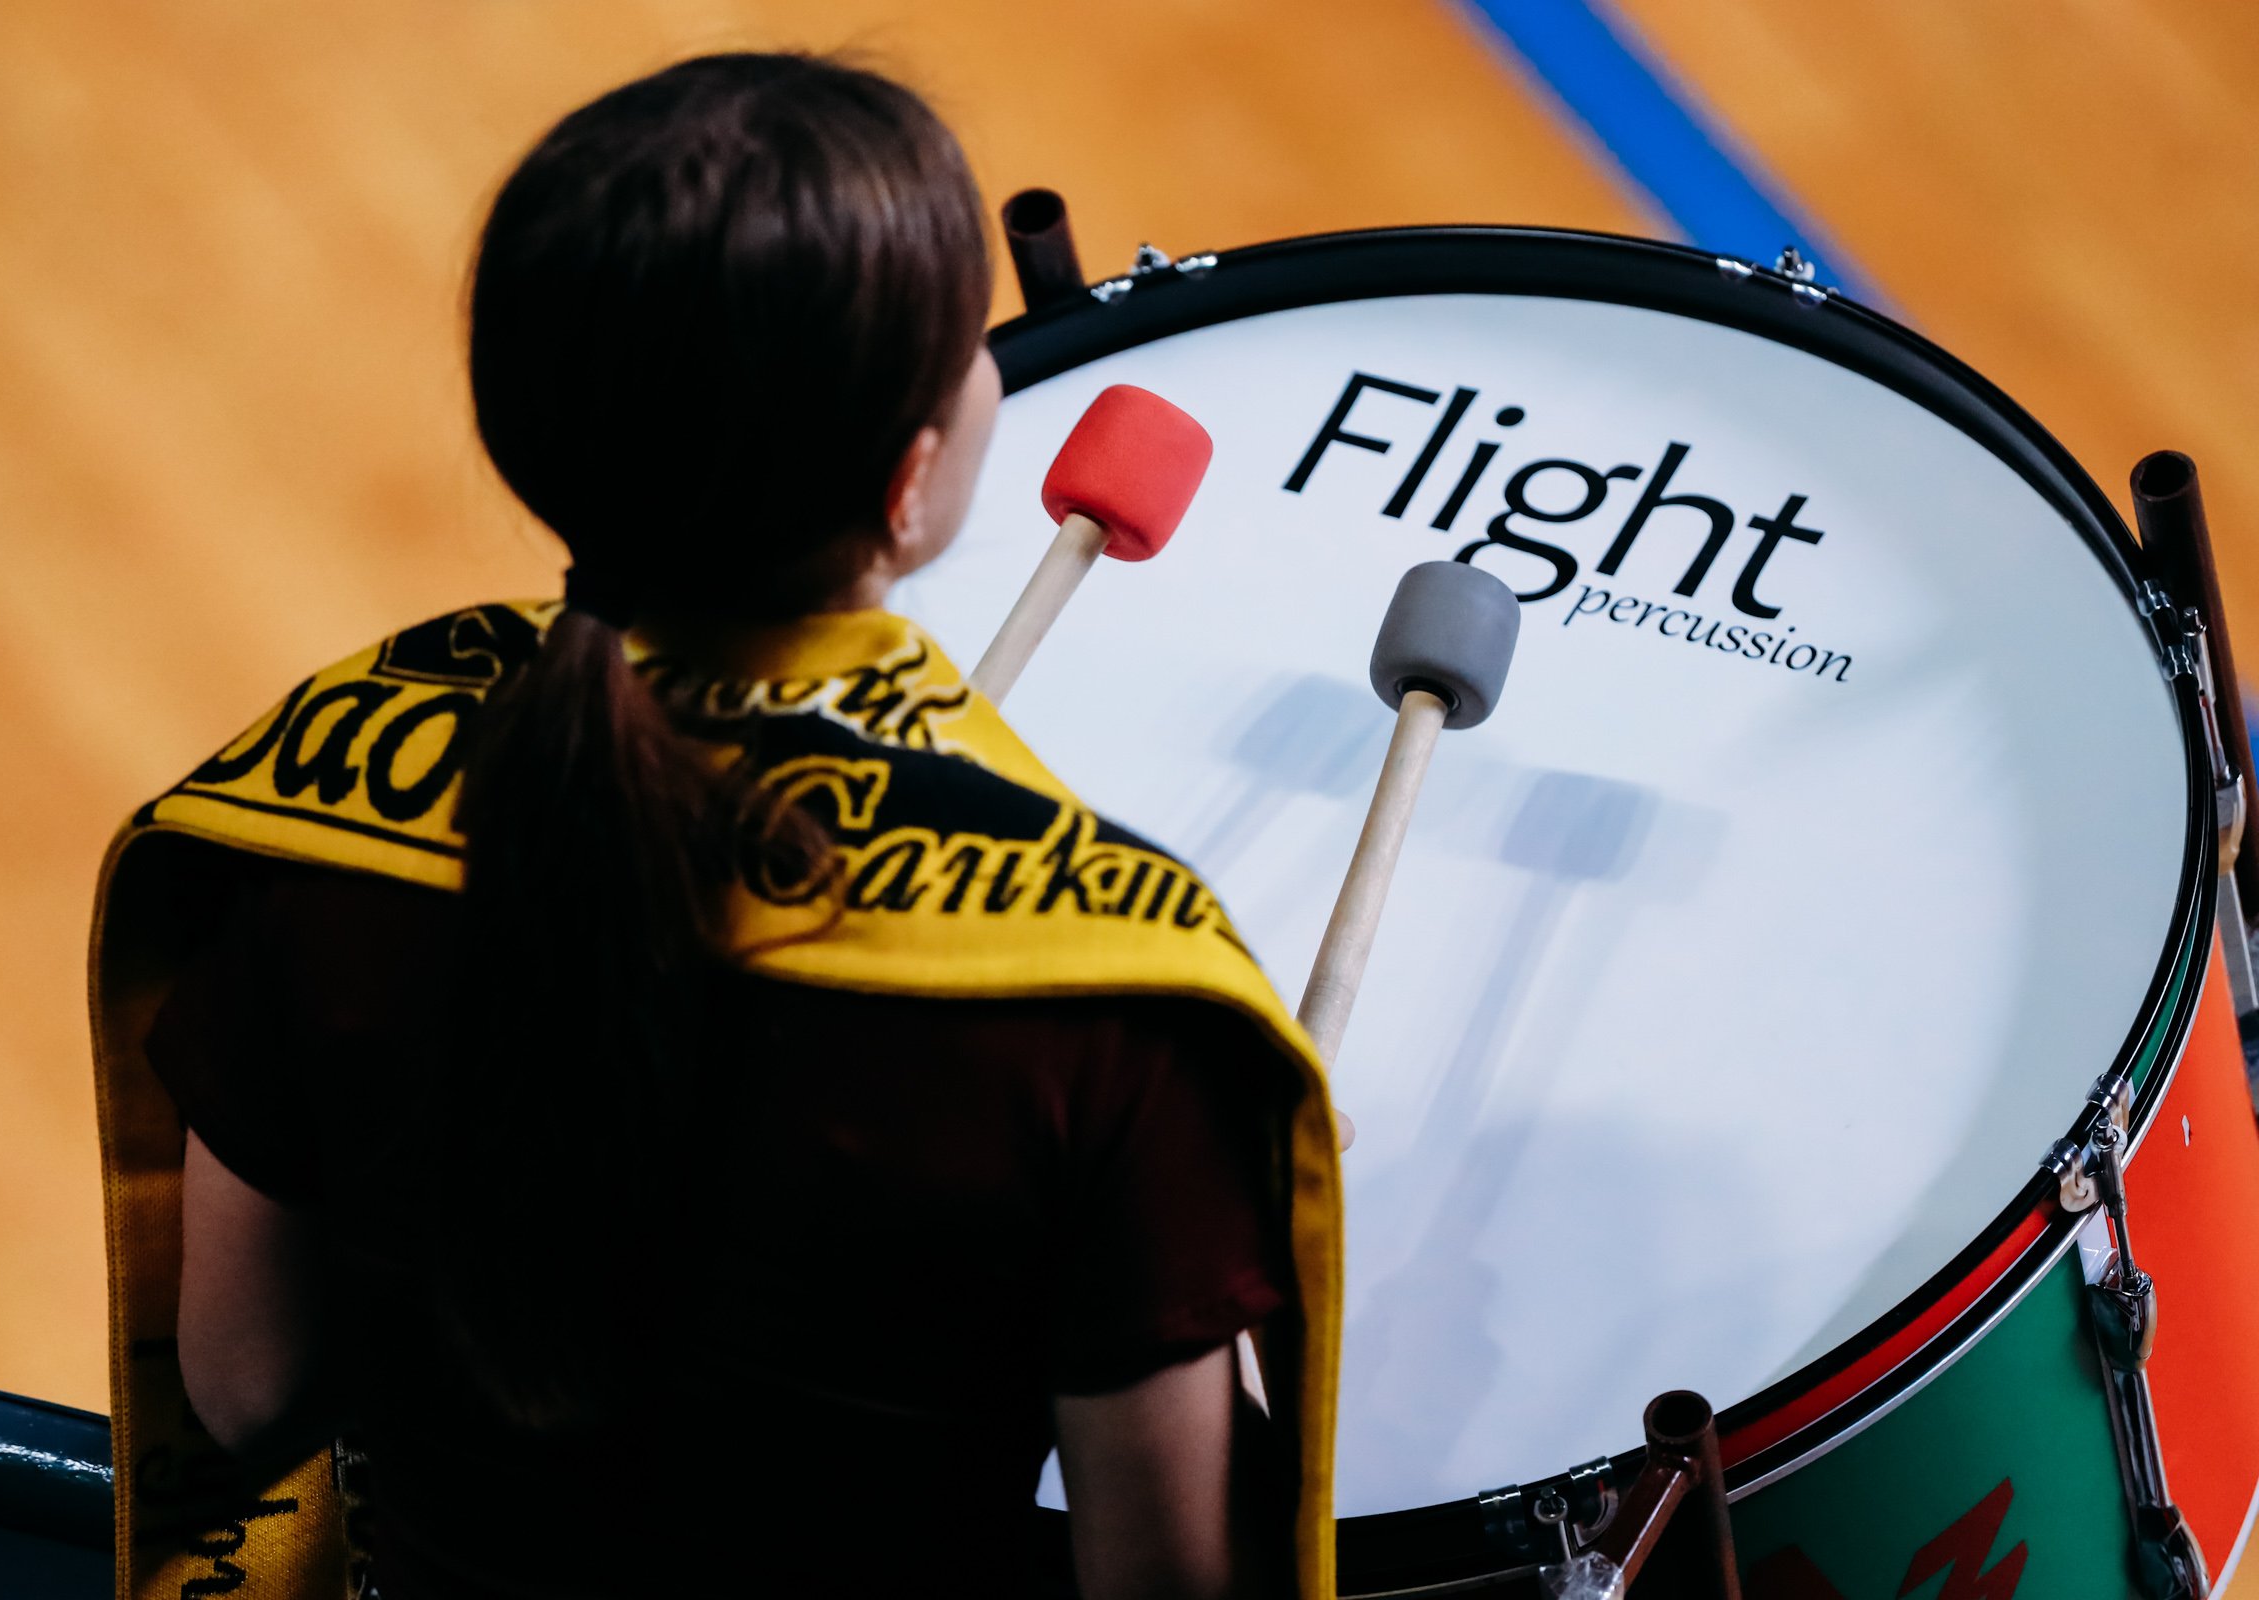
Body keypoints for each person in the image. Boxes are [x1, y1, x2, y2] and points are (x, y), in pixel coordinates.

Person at [87, 53, 1343, 1600]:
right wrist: (1208, 1225)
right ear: (910, 482)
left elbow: (243, 1386)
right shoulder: (1106, 1017)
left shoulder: (334, 818)